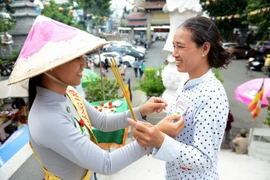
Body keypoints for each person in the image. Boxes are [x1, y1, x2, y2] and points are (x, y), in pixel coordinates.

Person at [8, 16, 185, 180]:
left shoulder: (69, 93)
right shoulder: (47, 118)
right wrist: (155, 135)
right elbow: (106, 164)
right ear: (50, 66)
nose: (84, 63)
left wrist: (141, 111)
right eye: (76, 57)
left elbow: (102, 122)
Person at [127, 16, 231, 179]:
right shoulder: (186, 82)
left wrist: (159, 140)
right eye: (174, 46)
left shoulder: (212, 94)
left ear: (204, 48)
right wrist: (155, 132)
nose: (174, 54)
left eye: (180, 47)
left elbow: (204, 159)